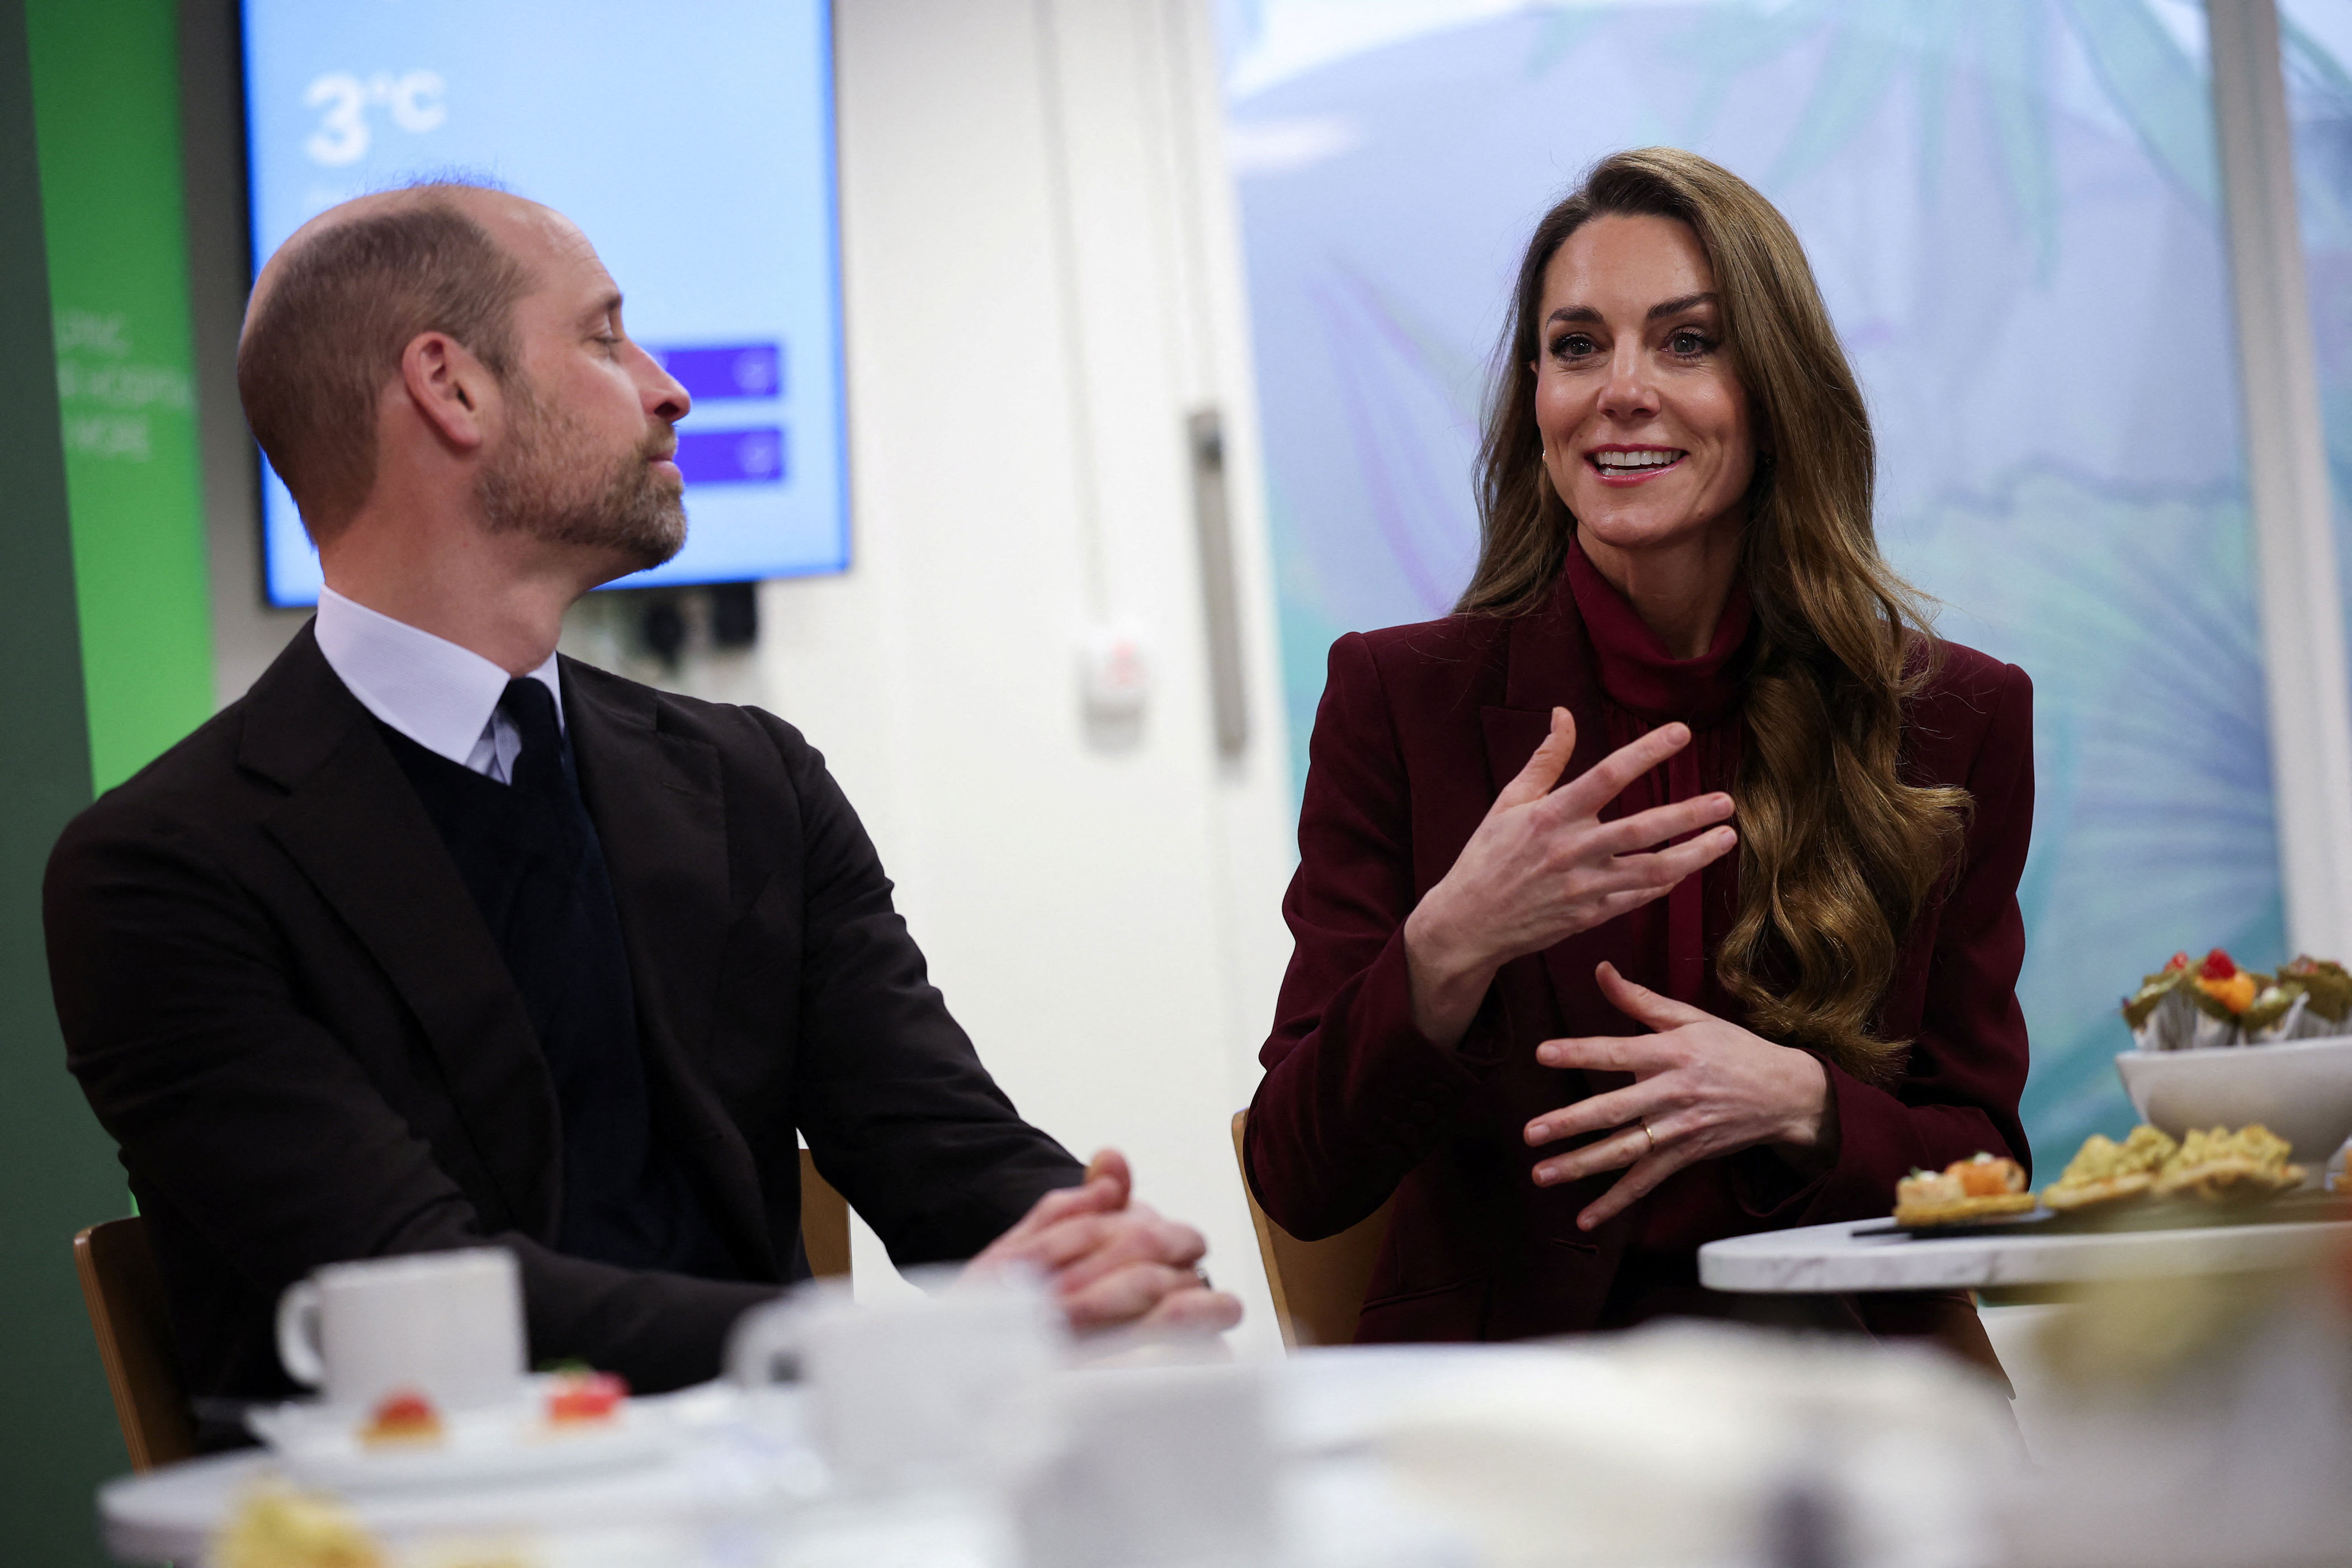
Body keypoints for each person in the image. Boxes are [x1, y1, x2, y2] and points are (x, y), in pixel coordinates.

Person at [44, 183, 1238, 1428]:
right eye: (608, 338)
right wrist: (898, 1347)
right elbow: (419, 1300)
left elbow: (947, 1149)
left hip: (780, 1512)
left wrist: (1103, 1267)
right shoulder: (161, 871)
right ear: (452, 390)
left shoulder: (751, 781)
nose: (669, 390)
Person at [1243, 148, 2032, 1364]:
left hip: (1849, 1399)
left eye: (1685, 341)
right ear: (1535, 398)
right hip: (1518, 1429)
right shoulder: (1399, 703)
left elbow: (1984, 1168)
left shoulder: (1954, 716)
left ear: (1775, 392)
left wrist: (1803, 1104)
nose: (1619, 390)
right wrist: (1452, 942)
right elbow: (1299, 1175)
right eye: (1576, 346)